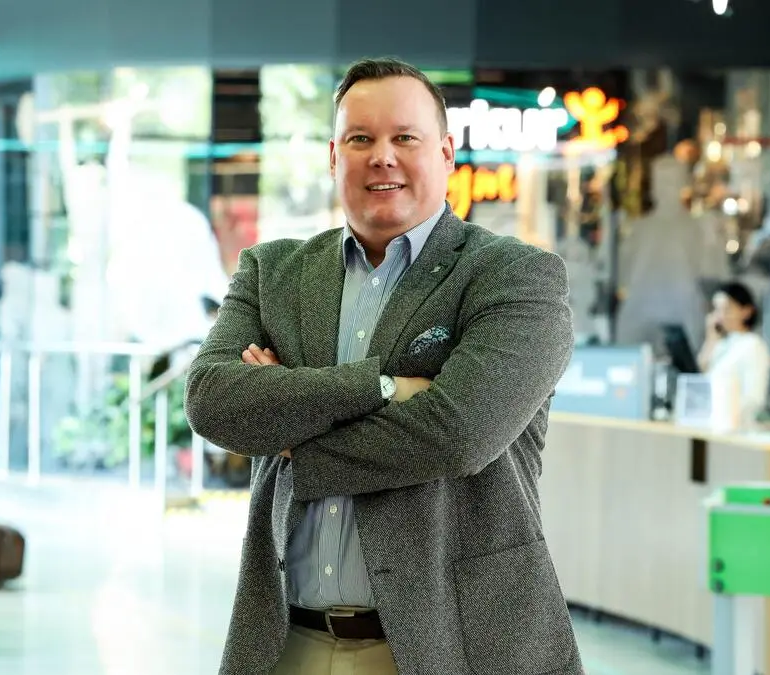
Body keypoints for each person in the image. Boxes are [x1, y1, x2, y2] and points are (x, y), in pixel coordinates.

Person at [184, 57, 582, 675]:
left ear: (446, 153)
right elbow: (212, 402)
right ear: (333, 157)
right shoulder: (271, 273)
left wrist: (292, 432)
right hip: (286, 642)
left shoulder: (514, 276)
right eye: (360, 139)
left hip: (452, 645)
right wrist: (384, 386)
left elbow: (457, 433)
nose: (382, 157)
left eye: (405, 138)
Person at [697, 281, 770, 424]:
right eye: (716, 309)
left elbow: (755, 397)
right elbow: (702, 374)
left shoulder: (753, 345)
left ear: (746, 311)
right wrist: (710, 339)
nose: (719, 316)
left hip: (737, 425)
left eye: (726, 309)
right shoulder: (721, 344)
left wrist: (727, 412)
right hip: (713, 423)